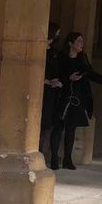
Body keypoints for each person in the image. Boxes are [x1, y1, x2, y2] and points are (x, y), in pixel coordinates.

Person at [50, 32, 102, 170]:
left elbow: (92, 75)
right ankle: (54, 158)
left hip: (77, 98)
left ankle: (67, 159)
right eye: (78, 41)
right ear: (70, 43)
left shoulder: (82, 59)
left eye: (82, 41)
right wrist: (68, 78)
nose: (81, 44)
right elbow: (55, 76)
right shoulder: (60, 57)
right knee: (58, 127)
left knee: (71, 129)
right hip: (62, 96)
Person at [40, 21, 63, 158]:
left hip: (51, 92)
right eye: (57, 32)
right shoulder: (38, 49)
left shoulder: (54, 52)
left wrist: (56, 81)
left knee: (47, 124)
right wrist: (45, 81)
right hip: (41, 90)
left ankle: (41, 152)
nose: (58, 35)